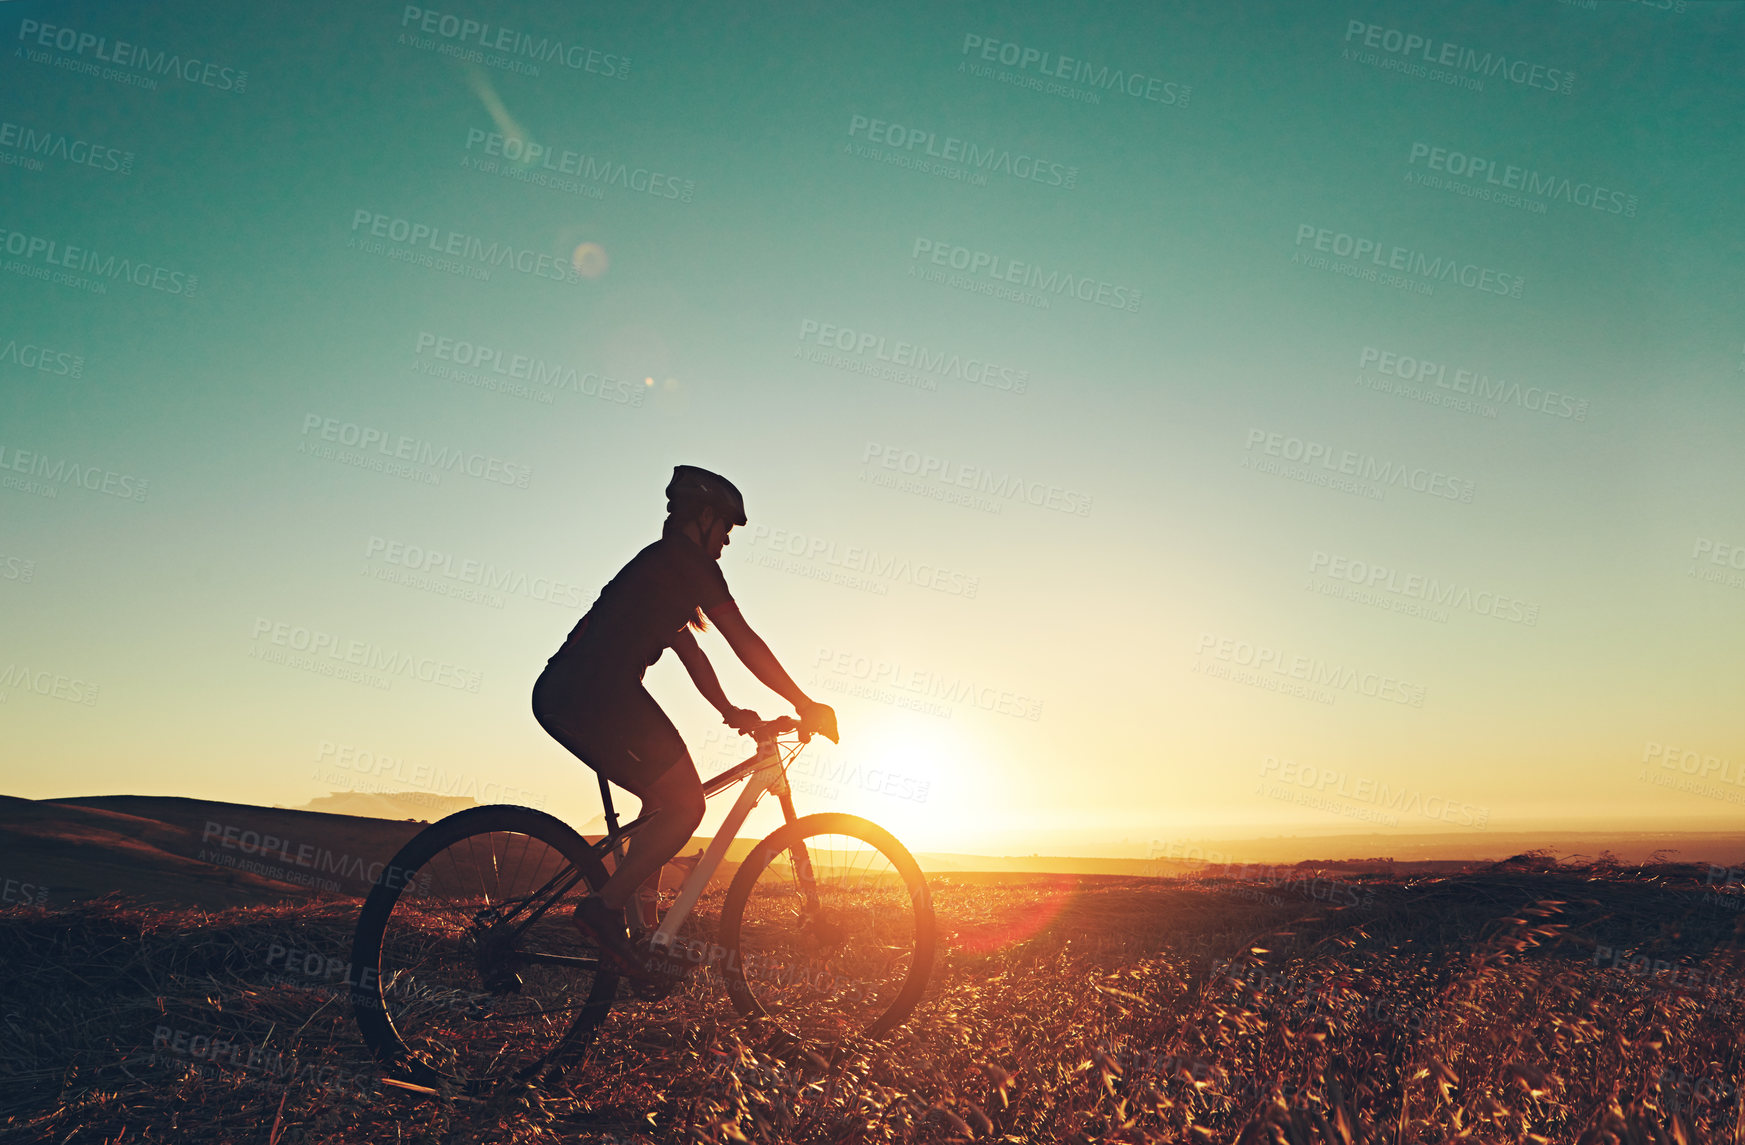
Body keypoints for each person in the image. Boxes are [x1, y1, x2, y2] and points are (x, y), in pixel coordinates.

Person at [531, 465, 838, 974]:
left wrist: (731, 712)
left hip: (575, 692)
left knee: (661, 808)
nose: (727, 541)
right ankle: (604, 911)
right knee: (686, 806)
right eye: (727, 529)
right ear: (704, 518)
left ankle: (639, 935)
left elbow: (689, 650)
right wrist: (805, 703)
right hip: (595, 694)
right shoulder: (685, 562)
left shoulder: (663, 567)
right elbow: (744, 640)